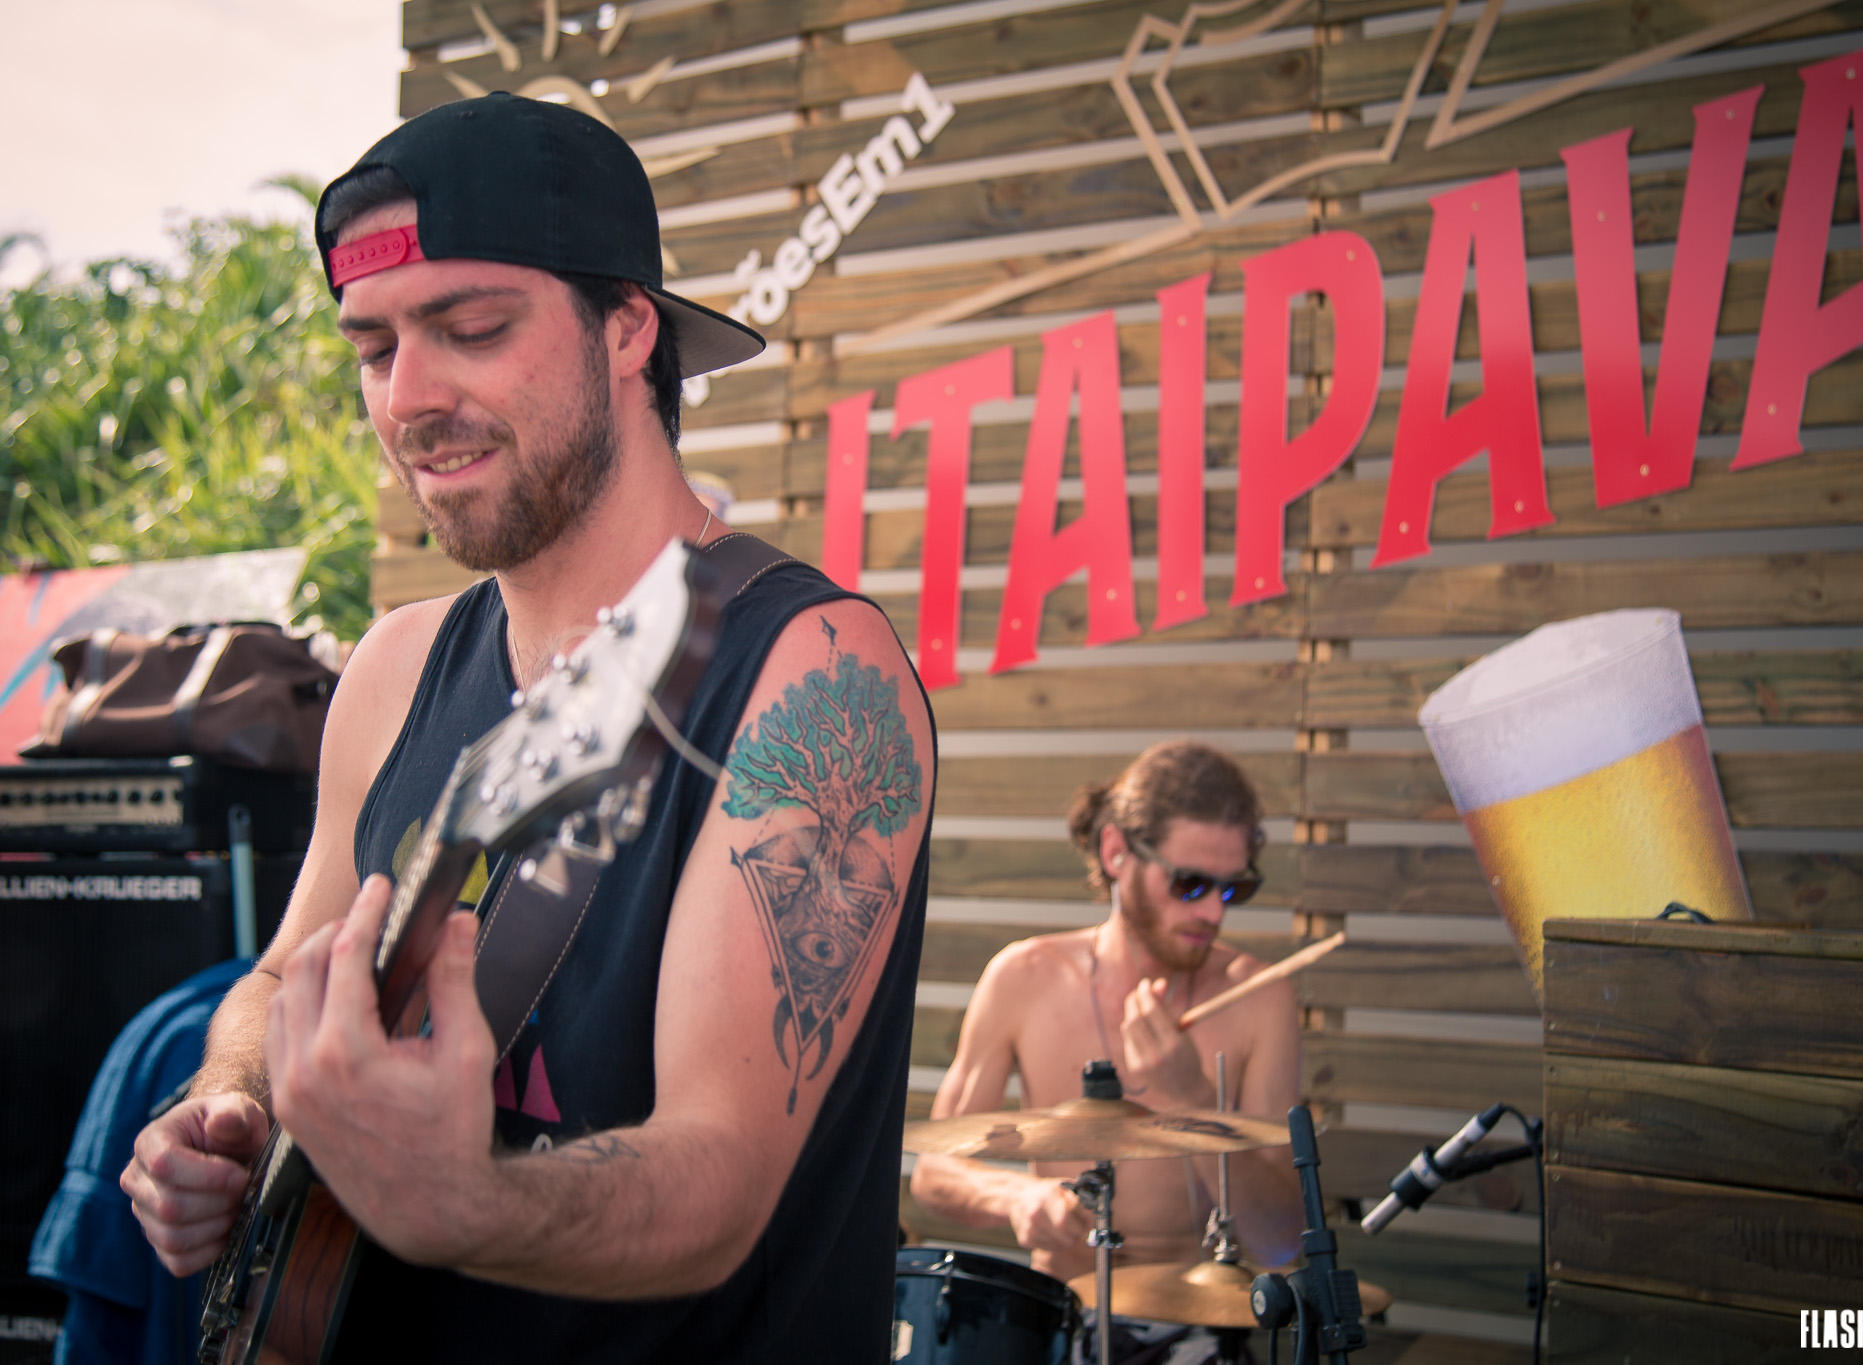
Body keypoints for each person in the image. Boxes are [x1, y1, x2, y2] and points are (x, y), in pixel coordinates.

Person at [118, 92, 935, 1363]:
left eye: (472, 329)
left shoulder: (811, 673)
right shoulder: (394, 667)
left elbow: (718, 1179)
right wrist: (228, 1106)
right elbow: (280, 977)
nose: (409, 397)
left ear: (628, 329)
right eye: (374, 348)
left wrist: (466, 1205)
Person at [909, 741, 1303, 1294]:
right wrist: (1019, 1196)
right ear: (1117, 852)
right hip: (1062, 1314)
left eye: (1235, 887)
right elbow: (933, 1174)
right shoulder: (1025, 977)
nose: (1214, 911)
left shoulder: (1258, 998)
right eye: (1189, 883)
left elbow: (1280, 1239)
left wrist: (1191, 1100)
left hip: (1199, 1318)